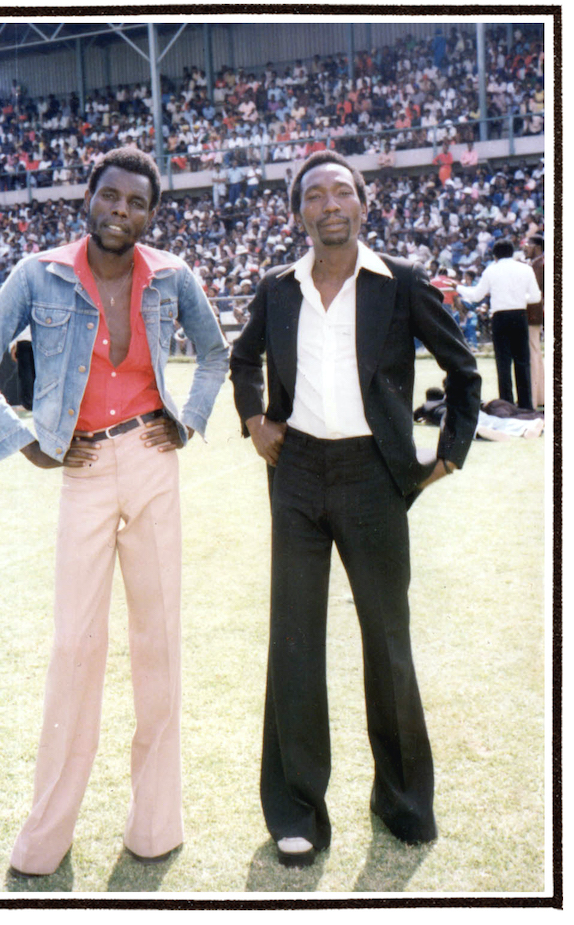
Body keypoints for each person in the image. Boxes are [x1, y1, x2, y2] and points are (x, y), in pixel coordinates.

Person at [0, 145, 230, 876]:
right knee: (74, 648)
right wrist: (21, 440)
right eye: (110, 197)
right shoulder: (38, 272)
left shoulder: (171, 274)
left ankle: (153, 825)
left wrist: (189, 418)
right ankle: (45, 836)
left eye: (137, 204)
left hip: (151, 460)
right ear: (89, 196)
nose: (120, 212)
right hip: (79, 468)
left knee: (157, 643)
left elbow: (213, 354)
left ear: (151, 215)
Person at [229, 151, 481, 867]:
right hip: (297, 471)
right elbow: (243, 359)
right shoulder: (276, 287)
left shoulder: (398, 282)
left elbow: (463, 372)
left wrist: (447, 455)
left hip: (375, 476)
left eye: (343, 190)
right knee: (294, 641)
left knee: (387, 639)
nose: (330, 202)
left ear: (363, 205)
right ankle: (296, 810)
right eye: (315, 194)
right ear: (298, 211)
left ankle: (401, 801)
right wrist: (254, 419)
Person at [457, 238, 541, 409]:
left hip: (500, 317)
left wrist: (458, 287)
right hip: (519, 314)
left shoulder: (491, 270)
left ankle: (506, 403)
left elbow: (476, 295)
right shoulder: (525, 269)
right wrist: (518, 300)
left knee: (503, 362)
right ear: (512, 252)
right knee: (522, 361)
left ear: (495, 255)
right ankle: (526, 404)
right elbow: (535, 297)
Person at [523, 234, 545, 408]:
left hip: (534, 313)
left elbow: (536, 292)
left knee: (533, 353)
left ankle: (535, 398)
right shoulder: (537, 263)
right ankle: (540, 396)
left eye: (528, 244)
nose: (525, 247)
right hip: (536, 313)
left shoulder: (539, 264)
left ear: (537, 246)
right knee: (535, 353)